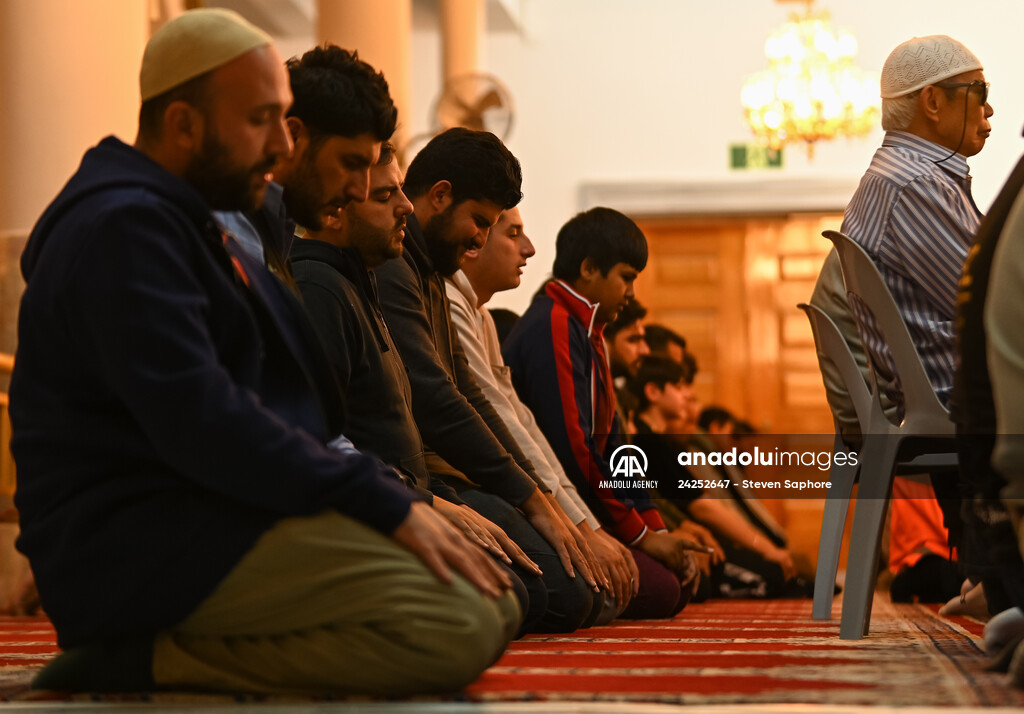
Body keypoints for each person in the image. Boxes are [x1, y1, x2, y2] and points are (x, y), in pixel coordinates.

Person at [9, 9, 519, 695]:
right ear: (183, 123)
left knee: (496, 593)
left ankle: (163, 649)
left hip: (207, 512)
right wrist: (383, 501)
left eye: (285, 121)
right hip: (142, 542)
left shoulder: (191, 223)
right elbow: (205, 418)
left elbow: (279, 408)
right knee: (463, 617)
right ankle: (141, 658)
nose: (282, 145)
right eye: (261, 121)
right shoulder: (125, 228)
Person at [291, 144, 542, 630]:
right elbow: (328, 438)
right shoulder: (326, 284)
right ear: (338, 206)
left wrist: (542, 499)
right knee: (510, 600)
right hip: (388, 497)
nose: (405, 205)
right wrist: (423, 504)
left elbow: (466, 396)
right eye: (387, 194)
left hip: (417, 489)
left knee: (533, 592)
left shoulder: (371, 276)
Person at [374, 128, 601, 633]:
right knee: (559, 594)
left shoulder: (428, 272)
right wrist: (531, 499)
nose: (481, 238)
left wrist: (541, 500)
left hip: (440, 478)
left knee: (577, 591)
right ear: (439, 196)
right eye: (481, 221)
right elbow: (436, 400)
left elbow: (470, 395)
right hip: (415, 480)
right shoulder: (392, 269)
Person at [503, 207, 701, 618]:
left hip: (588, 499)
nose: (631, 292)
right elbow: (572, 450)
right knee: (662, 590)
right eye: (627, 277)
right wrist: (640, 536)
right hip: (553, 505)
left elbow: (617, 448)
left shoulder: (590, 329)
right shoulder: (553, 322)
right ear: (589, 269)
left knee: (679, 578)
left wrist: (656, 529)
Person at [450, 206, 639, 619]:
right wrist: (591, 527)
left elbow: (523, 422)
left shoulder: (482, 314)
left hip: (534, 487)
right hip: (467, 483)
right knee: (582, 595)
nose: (529, 248)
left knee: (628, 588)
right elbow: (568, 445)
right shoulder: (552, 322)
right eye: (513, 233)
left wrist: (597, 525)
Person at [214, 44, 393, 278]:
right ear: (293, 136)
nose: (360, 192)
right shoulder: (234, 235)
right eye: (350, 163)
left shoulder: (275, 227)